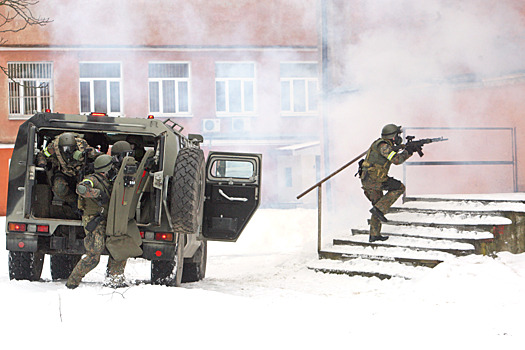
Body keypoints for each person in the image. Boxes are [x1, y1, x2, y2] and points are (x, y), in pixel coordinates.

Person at [66, 154, 127, 289]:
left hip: (109, 220)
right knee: (94, 256)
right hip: (94, 220)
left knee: (119, 249)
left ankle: (115, 279)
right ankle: (72, 282)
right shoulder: (92, 179)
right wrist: (98, 194)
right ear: (106, 169)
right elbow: (81, 189)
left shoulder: (110, 180)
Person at [359, 124, 413, 242]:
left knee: (378, 204)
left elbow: (392, 152)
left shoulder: (383, 144)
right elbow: (396, 160)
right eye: (397, 135)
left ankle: (374, 235)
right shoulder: (383, 146)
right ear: (393, 136)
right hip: (374, 181)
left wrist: (404, 147)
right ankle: (378, 210)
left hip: (370, 180)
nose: (399, 137)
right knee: (399, 188)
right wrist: (408, 152)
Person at [36, 132, 100, 208]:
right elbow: (42, 154)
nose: (68, 151)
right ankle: (73, 203)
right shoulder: (54, 147)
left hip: (82, 171)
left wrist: (92, 165)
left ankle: (87, 205)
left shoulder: (82, 146)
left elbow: (98, 155)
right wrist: (42, 162)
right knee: (59, 188)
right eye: (65, 149)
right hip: (64, 172)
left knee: (87, 186)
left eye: (70, 148)